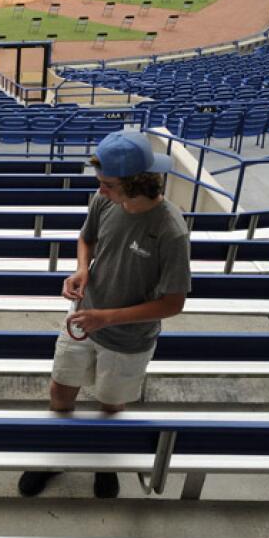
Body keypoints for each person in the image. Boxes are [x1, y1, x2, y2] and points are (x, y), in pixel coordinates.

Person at [18, 131, 190, 499]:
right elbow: (87, 238)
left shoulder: (170, 231)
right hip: (83, 319)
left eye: (107, 184)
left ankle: (103, 463)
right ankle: (53, 457)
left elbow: (173, 304)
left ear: (136, 184)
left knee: (111, 404)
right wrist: (82, 269)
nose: (99, 190)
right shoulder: (105, 200)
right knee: (60, 392)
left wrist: (107, 318)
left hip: (129, 339)